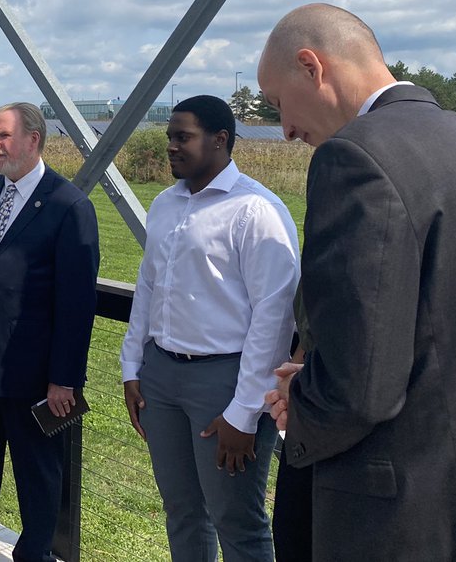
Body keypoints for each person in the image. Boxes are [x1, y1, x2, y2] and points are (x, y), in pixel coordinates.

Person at [257, 3, 456, 561]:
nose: (286, 130)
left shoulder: (356, 157)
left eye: (278, 103)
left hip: (402, 516)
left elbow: (360, 383)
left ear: (311, 66)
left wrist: (302, 401)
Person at [121, 95, 299, 562]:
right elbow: (148, 287)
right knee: (181, 509)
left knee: (236, 520)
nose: (172, 147)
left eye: (184, 137)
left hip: (224, 381)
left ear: (221, 140)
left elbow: (274, 315)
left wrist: (245, 411)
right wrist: (131, 365)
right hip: (162, 377)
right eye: (169, 138)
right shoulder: (165, 204)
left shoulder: (256, 211)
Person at [0, 102, 100, 562]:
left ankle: (34, 556)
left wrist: (64, 380)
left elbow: (77, 304)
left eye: (3, 136)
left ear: (34, 139)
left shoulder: (69, 206)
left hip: (34, 380)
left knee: (38, 482)